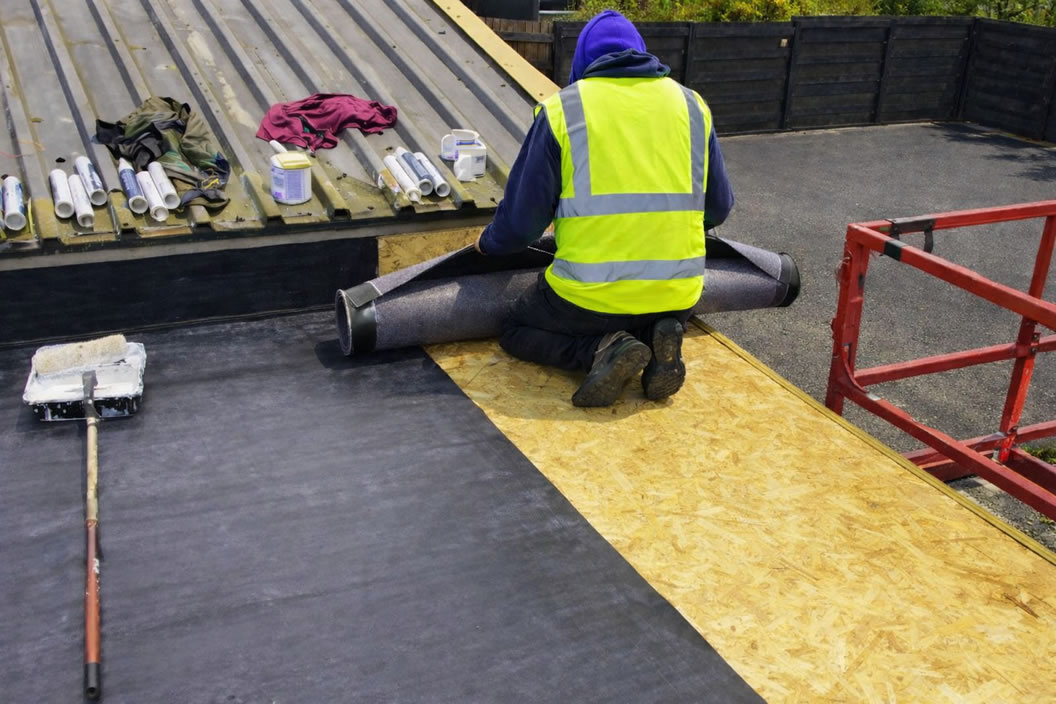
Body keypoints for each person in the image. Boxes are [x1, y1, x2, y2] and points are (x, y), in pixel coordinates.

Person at [474, 10, 734, 407]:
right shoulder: (691, 106)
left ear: (581, 63)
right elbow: (718, 209)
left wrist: (486, 245)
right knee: (651, 312)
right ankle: (658, 336)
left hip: (589, 300)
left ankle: (600, 349)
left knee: (515, 328)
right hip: (678, 295)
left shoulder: (563, 111)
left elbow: (520, 228)